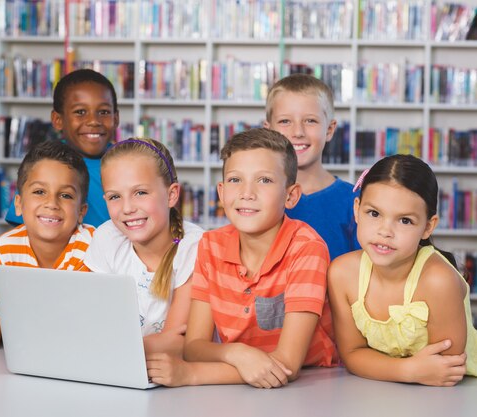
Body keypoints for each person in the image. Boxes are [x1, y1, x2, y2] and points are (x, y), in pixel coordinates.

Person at [149, 128, 337, 387]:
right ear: (222, 192)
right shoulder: (210, 245)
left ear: (291, 195)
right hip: (240, 380)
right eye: (236, 180)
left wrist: (190, 374)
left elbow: (288, 364)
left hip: (316, 384)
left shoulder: (307, 248)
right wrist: (236, 352)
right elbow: (194, 347)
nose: (247, 193)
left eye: (264, 180)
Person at [328, 154, 476, 386]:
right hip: (381, 392)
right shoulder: (341, 274)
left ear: (428, 226)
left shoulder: (438, 281)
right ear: (357, 209)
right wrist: (409, 370)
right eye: (374, 213)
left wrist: (393, 368)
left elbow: (445, 369)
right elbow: (352, 354)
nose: (385, 231)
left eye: (405, 220)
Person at [84, 138, 203, 356]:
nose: (127, 208)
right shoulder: (107, 238)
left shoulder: (194, 248)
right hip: (118, 368)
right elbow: (92, 316)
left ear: (171, 195)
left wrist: (107, 349)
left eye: (140, 193)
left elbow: (176, 342)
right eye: (115, 197)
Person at [5, 68, 119, 227]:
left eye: (104, 112)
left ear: (116, 118)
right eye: (80, 112)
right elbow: (23, 233)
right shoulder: (43, 164)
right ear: (58, 119)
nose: (94, 121)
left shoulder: (128, 163)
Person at [264, 73, 359, 260]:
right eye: (285, 121)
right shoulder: (258, 196)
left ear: (330, 130)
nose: (298, 132)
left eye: (310, 121)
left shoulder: (355, 200)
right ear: (269, 131)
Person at [0, 141, 93, 276]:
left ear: (81, 211)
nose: (52, 203)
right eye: (39, 192)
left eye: (66, 195)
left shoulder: (93, 248)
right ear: (18, 204)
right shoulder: (3, 251)